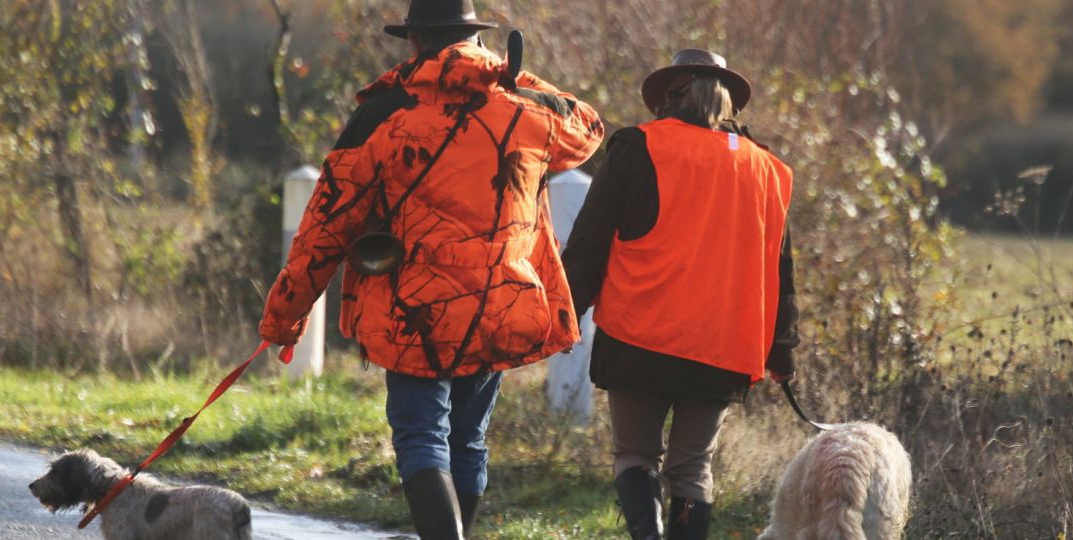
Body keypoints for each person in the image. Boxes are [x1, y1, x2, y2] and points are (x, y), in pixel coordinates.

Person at [257, 1, 604, 538]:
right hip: (498, 301)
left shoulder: (384, 111)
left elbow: (324, 226)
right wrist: (509, 74)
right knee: (467, 442)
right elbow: (588, 125)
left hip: (414, 307)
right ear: (476, 42)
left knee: (422, 437)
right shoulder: (523, 108)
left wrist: (286, 314)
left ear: (414, 41)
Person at [562, 49, 799, 540]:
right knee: (693, 470)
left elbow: (589, 242)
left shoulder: (636, 146)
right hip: (723, 344)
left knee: (635, 454)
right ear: (729, 102)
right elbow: (780, 270)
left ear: (671, 97)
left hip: (638, 332)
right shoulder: (769, 170)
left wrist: (563, 311)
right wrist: (782, 352)